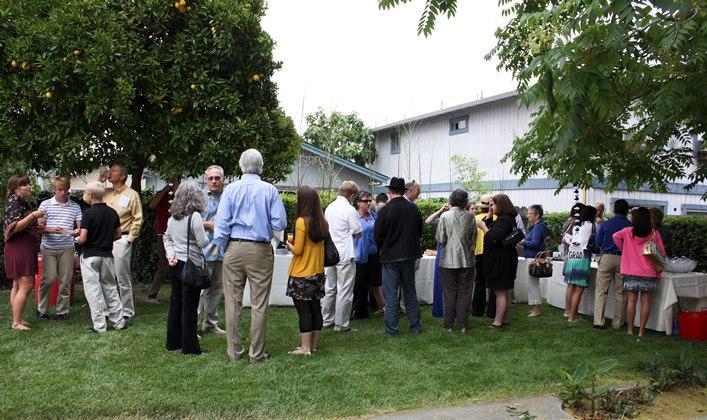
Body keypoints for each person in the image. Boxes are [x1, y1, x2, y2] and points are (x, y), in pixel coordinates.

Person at [212, 149, 287, 363]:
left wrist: (222, 247)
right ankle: (257, 354)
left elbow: (222, 224)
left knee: (232, 302)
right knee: (259, 302)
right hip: (260, 249)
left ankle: (234, 353)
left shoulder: (231, 189)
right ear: (261, 166)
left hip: (234, 247)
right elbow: (279, 223)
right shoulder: (269, 190)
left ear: (241, 165)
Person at [163, 181, 209, 355]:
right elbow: (203, 242)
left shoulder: (173, 217)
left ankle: (173, 342)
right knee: (190, 307)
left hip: (176, 264)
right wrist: (209, 230)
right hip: (191, 264)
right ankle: (190, 348)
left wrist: (170, 255)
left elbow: (167, 238)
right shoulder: (194, 216)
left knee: (176, 303)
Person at [374, 177, 424, 335]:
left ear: (390, 192)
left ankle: (392, 328)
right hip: (409, 256)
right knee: (410, 291)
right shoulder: (413, 209)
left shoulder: (385, 210)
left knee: (391, 294)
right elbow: (419, 231)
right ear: (403, 191)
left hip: (390, 257)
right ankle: (415, 326)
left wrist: (384, 247)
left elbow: (378, 236)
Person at [76, 182, 126, 333]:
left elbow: (83, 238)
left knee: (93, 291)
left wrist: (76, 239)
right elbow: (118, 234)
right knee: (111, 289)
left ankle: (99, 326)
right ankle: (119, 322)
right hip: (107, 255)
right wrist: (105, 239)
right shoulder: (112, 212)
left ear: (90, 195)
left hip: (90, 256)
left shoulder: (88, 214)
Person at [284, 186, 327, 355]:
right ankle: (313, 345)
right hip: (317, 273)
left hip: (301, 273)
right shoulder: (322, 221)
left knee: (304, 312)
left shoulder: (301, 221)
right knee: (316, 309)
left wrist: (289, 245)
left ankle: (305, 348)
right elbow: (312, 243)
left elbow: (298, 251)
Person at [98, 164, 143, 321]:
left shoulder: (132, 195)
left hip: (122, 238)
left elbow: (138, 218)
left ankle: (127, 311)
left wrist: (129, 239)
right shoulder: (104, 192)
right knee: (105, 276)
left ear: (123, 176)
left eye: (114, 171)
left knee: (122, 276)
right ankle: (107, 311)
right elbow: (89, 199)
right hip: (103, 239)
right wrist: (100, 181)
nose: (110, 172)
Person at [613, 207, 666, 337]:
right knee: (646, 302)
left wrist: (625, 249)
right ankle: (642, 331)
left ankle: (630, 330)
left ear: (634, 219)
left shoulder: (627, 232)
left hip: (631, 271)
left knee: (631, 300)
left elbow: (615, 236)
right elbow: (662, 253)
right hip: (648, 272)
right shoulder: (654, 233)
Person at [36, 176, 82, 320]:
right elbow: (39, 228)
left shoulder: (75, 206)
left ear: (68, 189)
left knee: (65, 280)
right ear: (54, 190)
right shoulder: (45, 205)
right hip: (49, 247)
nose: (63, 192)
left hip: (67, 248)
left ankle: (62, 311)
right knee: (48, 279)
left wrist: (76, 231)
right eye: (59, 190)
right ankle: (41, 309)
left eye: (65, 189)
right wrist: (50, 229)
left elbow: (79, 228)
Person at [4, 175, 45, 331]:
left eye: (28, 184)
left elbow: (26, 226)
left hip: (21, 247)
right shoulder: (15, 202)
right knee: (26, 285)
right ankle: (16, 323)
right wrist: (34, 215)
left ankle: (18, 319)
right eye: (24, 185)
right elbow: (15, 228)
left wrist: (41, 227)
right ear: (16, 189)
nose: (28, 187)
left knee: (17, 284)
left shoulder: (20, 202)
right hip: (19, 247)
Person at [322, 181, 362, 332]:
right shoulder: (349, 210)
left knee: (330, 288)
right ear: (351, 195)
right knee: (344, 290)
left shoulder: (330, 208)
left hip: (330, 252)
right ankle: (341, 324)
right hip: (344, 253)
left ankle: (327, 319)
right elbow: (357, 232)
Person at [436, 189, 476, 333]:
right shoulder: (471, 217)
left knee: (449, 293)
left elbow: (441, 239)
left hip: (448, 260)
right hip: (467, 260)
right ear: (465, 201)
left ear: (451, 200)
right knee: (465, 293)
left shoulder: (445, 216)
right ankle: (463, 325)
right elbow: (473, 238)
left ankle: (448, 325)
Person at [477, 194, 518, 328]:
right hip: (504, 259)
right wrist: (489, 214)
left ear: (500, 205)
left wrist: (483, 226)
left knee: (500, 291)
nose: (491, 207)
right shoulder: (506, 219)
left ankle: (497, 322)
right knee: (504, 291)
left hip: (501, 262)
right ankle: (503, 319)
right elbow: (492, 228)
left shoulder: (504, 220)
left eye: (493, 205)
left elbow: (493, 238)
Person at [592, 199, 631, 329]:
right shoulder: (630, 226)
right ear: (627, 211)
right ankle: (617, 323)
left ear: (614, 210)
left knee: (601, 291)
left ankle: (599, 321)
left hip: (607, 257)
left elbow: (597, 242)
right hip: (623, 259)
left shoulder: (607, 224)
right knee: (621, 293)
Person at [198, 165, 226, 334]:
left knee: (217, 289)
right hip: (205, 249)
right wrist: (209, 225)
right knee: (200, 290)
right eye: (211, 178)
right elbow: (191, 221)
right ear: (206, 180)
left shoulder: (229, 196)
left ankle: (210, 323)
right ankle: (193, 325)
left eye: (218, 178)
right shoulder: (199, 198)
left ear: (224, 179)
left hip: (223, 250)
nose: (214, 181)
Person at [563, 205, 597, 323]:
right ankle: (572, 316)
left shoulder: (576, 224)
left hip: (572, 256)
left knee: (571, 285)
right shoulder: (592, 225)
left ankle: (571, 313)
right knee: (579, 289)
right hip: (583, 257)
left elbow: (567, 239)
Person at [146, 179, 178, 304]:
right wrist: (165, 190)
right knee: (164, 265)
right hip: (163, 232)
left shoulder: (181, 195)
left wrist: (177, 188)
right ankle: (152, 295)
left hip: (178, 233)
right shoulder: (162, 193)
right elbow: (152, 205)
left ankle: (178, 294)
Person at [352, 190, 378, 319]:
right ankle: (353, 309)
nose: (368, 202)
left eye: (369, 200)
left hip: (372, 253)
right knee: (358, 284)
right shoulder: (355, 216)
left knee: (367, 283)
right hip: (359, 254)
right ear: (357, 202)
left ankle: (362, 311)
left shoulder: (373, 215)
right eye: (365, 200)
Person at [522, 204, 549, 317]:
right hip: (533, 257)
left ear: (537, 215)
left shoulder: (538, 227)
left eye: (530, 213)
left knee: (533, 284)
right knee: (532, 283)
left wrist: (523, 242)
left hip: (534, 259)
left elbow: (535, 243)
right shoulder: (536, 226)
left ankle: (536, 309)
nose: (528, 215)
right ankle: (534, 307)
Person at [425, 201, 451, 318]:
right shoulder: (442, 218)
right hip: (442, 249)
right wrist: (440, 211)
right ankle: (441, 310)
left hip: (451, 249)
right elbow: (428, 221)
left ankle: (451, 310)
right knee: (441, 280)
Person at [471, 193, 495, 318]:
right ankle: (492, 311)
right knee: (493, 284)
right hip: (493, 253)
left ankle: (477, 309)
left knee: (479, 282)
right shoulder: (497, 217)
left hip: (479, 253)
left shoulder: (475, 218)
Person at [561, 202, 585, 314]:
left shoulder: (568, 222)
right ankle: (572, 312)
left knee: (570, 284)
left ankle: (567, 310)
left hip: (568, 255)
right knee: (576, 285)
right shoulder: (579, 223)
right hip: (578, 255)